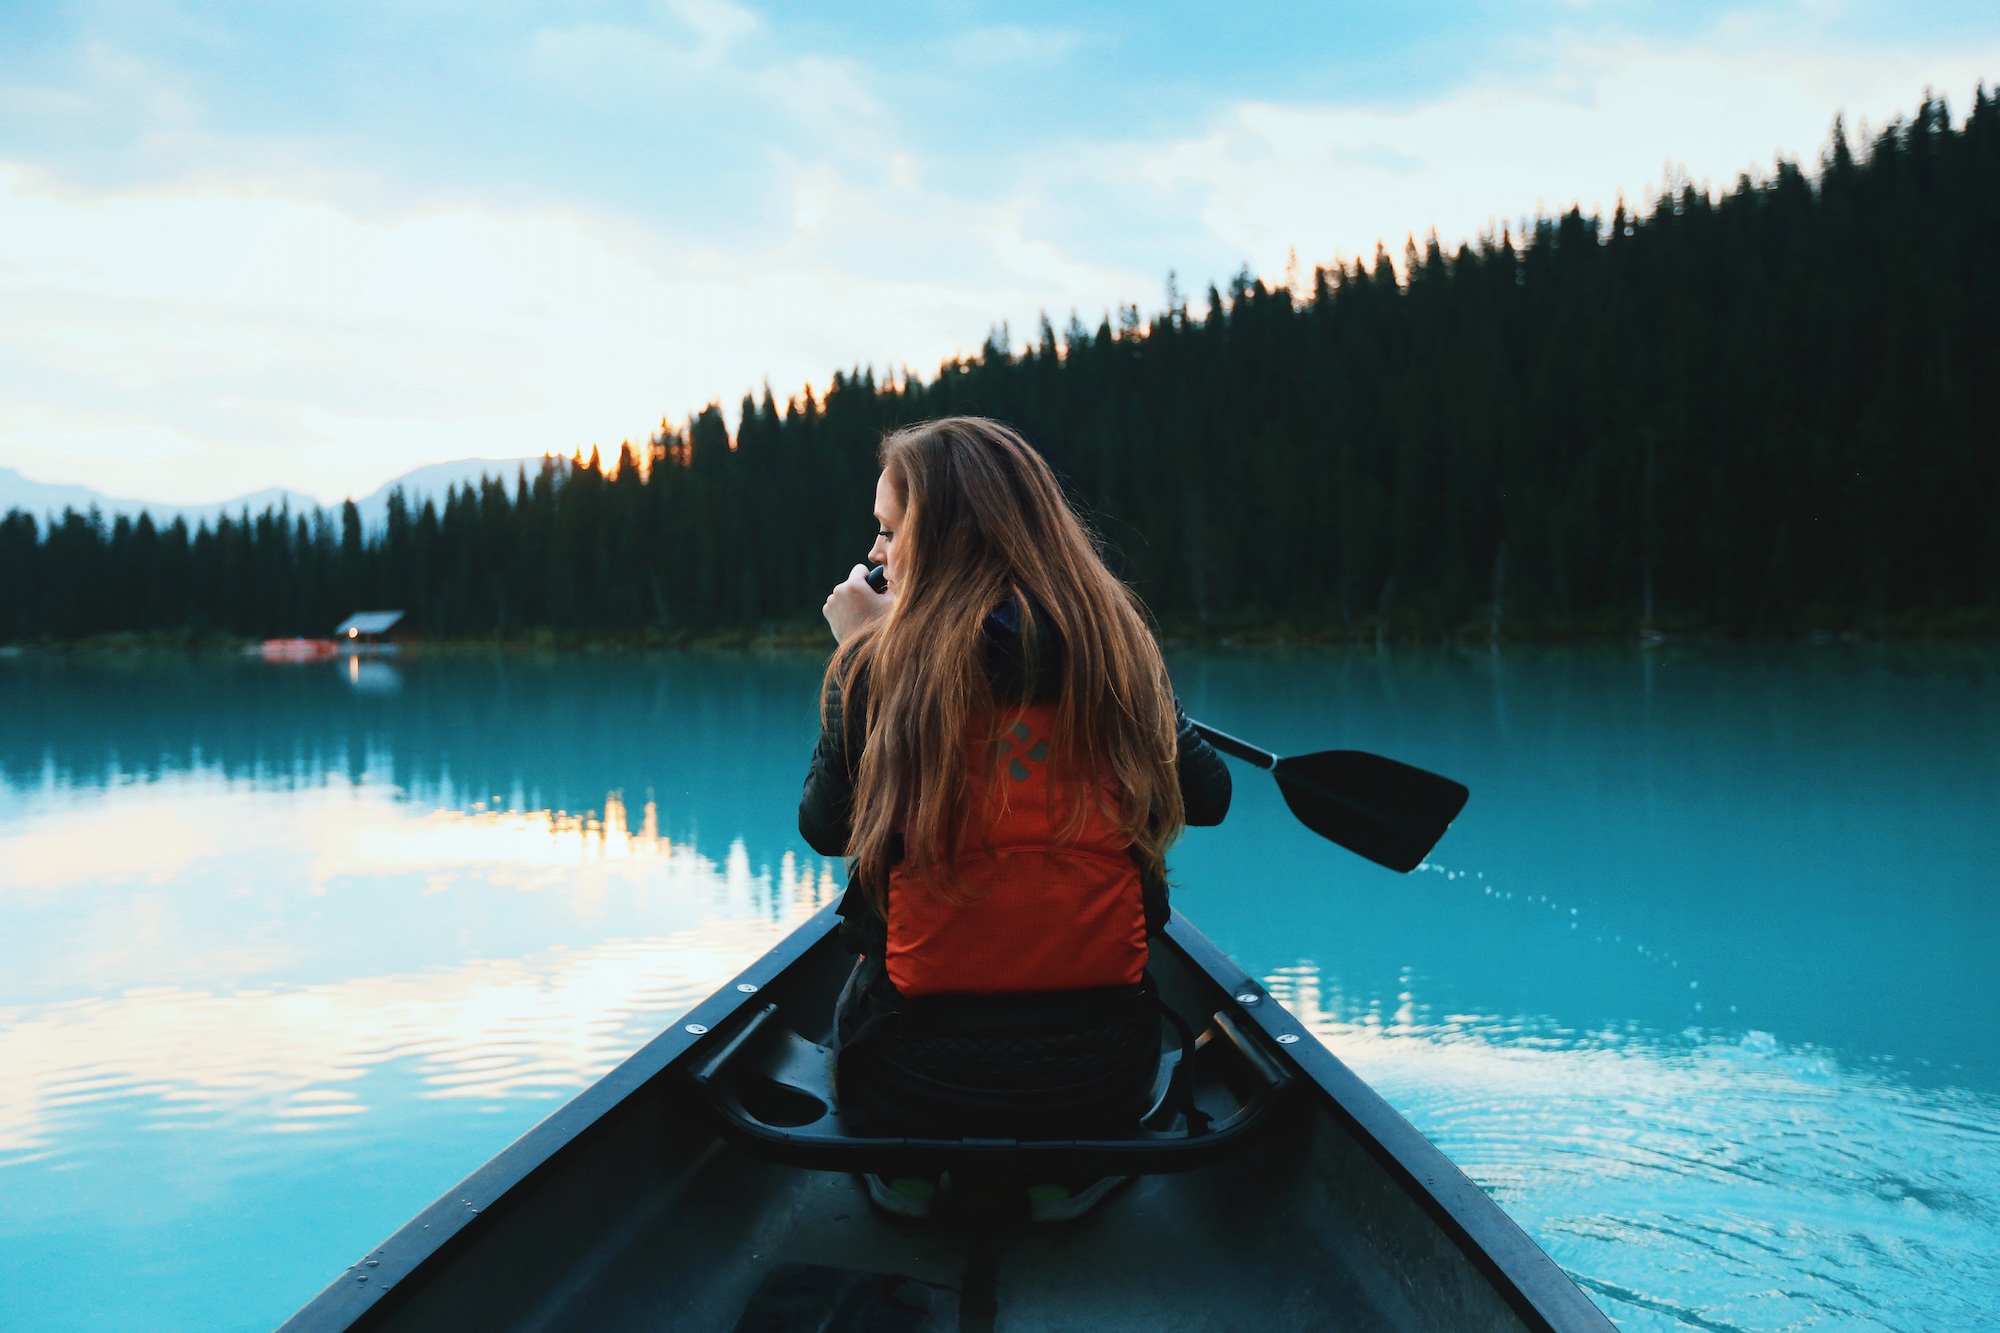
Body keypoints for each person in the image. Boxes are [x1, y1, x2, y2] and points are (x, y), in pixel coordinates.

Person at [798, 417, 1231, 1169]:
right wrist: (1150, 692)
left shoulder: (876, 667)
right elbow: (1210, 796)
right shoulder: (1116, 646)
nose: (874, 553)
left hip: (911, 1082)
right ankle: (1073, 1179)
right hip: (1106, 1078)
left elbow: (826, 828)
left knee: (857, 977)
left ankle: (917, 1182)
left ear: (940, 537)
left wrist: (863, 654)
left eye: (890, 530)